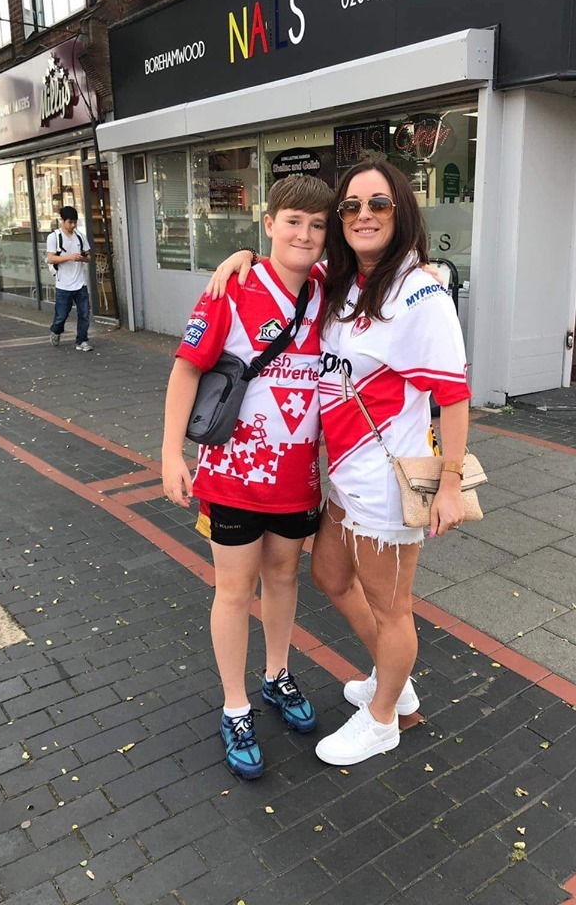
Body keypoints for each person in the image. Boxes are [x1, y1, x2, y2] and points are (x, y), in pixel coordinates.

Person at [210, 160, 470, 767]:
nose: (363, 216)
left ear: (401, 211)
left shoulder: (421, 290)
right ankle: (393, 681)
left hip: (393, 475)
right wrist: (241, 256)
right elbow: (287, 256)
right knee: (328, 574)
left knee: (393, 605)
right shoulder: (345, 279)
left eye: (378, 204)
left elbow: (454, 395)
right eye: (351, 207)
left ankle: (385, 716)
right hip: (345, 474)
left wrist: (450, 483)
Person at [161, 175, 334, 779]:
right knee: (234, 590)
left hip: (296, 480)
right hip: (231, 477)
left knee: (284, 576)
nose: (305, 235)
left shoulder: (325, 289)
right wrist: (168, 454)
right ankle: (235, 706)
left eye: (317, 225)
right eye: (293, 222)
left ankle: (276, 676)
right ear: (269, 222)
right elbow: (187, 370)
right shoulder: (231, 288)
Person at [47, 206, 93, 352]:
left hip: (80, 283)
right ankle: (56, 330)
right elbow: (50, 258)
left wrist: (83, 259)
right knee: (61, 315)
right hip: (63, 284)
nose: (73, 225)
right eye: (70, 222)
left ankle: (82, 340)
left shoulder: (80, 236)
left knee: (84, 313)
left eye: (75, 222)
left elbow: (89, 257)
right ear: (63, 221)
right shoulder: (54, 237)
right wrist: (69, 257)